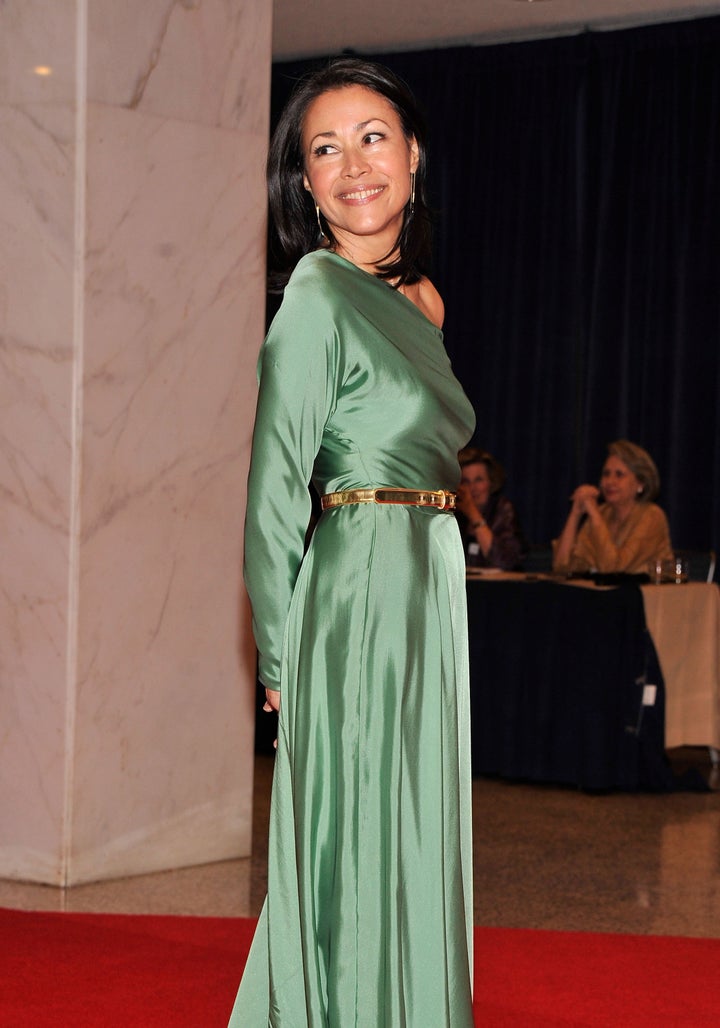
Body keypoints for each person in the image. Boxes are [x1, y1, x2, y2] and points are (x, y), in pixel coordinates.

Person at [228, 58, 475, 1026]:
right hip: (360, 580)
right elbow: (274, 486)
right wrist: (284, 655)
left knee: (415, 821)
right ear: (303, 183)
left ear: (413, 156)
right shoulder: (318, 294)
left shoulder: (425, 302)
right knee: (362, 826)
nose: (352, 164)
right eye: (322, 149)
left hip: (430, 580)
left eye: (372, 136)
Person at [552, 438, 673, 575]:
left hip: (646, 596)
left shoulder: (652, 516)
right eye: (606, 474)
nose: (610, 481)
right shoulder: (602, 513)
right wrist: (575, 513)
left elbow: (614, 569)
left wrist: (594, 515)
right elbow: (561, 566)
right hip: (606, 595)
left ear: (640, 484)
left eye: (619, 475)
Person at [456, 446, 526, 569]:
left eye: (479, 480)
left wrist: (473, 513)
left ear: (491, 482)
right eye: (466, 481)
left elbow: (504, 561)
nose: (472, 488)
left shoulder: (503, 509)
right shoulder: (453, 513)